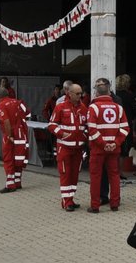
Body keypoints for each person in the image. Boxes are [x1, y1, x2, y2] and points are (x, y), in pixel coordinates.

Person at [86, 78, 130, 212]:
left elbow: (92, 130)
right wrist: (114, 143)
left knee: (95, 176)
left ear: (97, 93)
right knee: (114, 175)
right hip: (114, 149)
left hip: (98, 149)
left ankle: (95, 206)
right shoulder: (118, 108)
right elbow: (125, 129)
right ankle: (115, 204)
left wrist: (103, 144)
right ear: (109, 92)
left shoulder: (93, 107)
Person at [49, 81, 88, 211]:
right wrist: (61, 134)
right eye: (77, 93)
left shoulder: (83, 108)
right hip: (64, 147)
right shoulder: (60, 107)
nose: (80, 96)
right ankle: (66, 201)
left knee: (74, 175)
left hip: (78, 148)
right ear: (69, 93)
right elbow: (52, 125)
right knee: (65, 174)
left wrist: (84, 136)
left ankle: (70, 198)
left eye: (81, 93)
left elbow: (88, 126)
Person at [0, 85, 31, 193]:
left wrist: (9, 135)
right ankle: (17, 182)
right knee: (19, 159)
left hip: (11, 135)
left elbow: (6, 121)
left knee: (8, 159)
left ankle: (10, 185)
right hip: (22, 134)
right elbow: (28, 113)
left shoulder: (2, 105)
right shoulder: (17, 102)